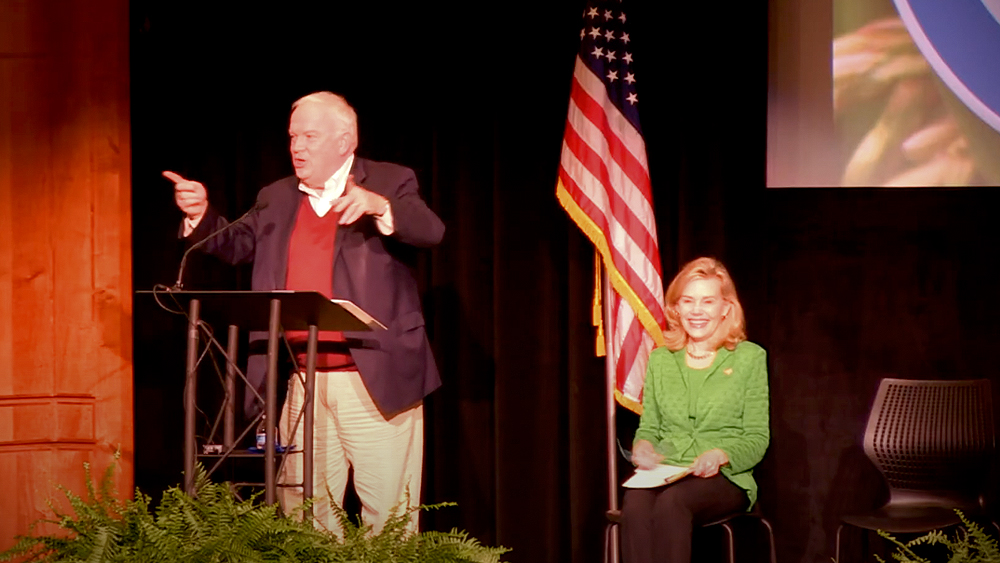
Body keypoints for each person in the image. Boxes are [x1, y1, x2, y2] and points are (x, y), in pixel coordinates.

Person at [164, 91, 444, 535]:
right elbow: (237, 245)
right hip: (303, 381)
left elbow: (431, 231)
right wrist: (202, 215)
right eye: (293, 136)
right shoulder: (275, 196)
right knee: (305, 519)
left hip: (375, 381)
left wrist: (378, 206)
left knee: (389, 520)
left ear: (345, 141)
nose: (297, 147)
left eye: (310, 136)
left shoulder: (391, 180)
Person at [620, 257, 769, 563]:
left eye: (707, 301)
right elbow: (649, 427)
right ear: (676, 308)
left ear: (725, 307)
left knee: (672, 504)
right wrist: (643, 446)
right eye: (688, 301)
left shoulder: (749, 358)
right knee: (634, 503)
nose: (697, 311)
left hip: (726, 476)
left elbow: (757, 437)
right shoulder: (662, 359)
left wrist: (721, 455)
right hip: (669, 470)